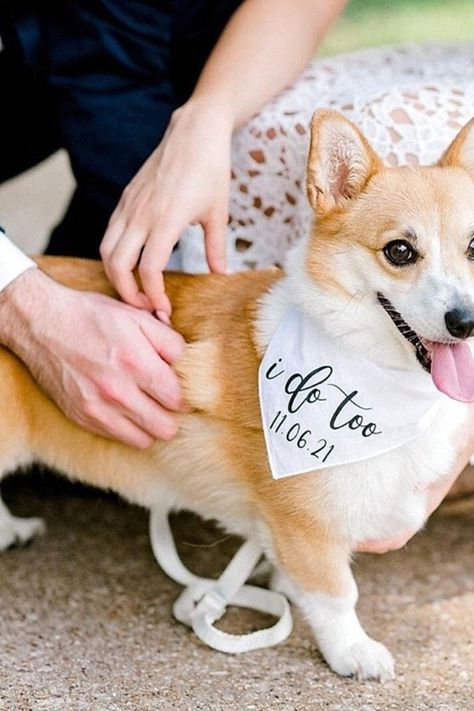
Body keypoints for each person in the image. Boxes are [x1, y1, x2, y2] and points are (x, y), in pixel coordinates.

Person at [0, 0, 473, 553]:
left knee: (149, 240)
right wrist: (23, 303)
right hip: (35, 43)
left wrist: (205, 117)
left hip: (184, 44)